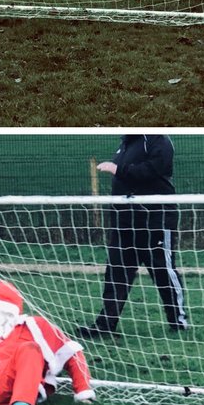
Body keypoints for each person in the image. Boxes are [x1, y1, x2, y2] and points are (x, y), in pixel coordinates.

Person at [76, 135, 189, 339]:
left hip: (155, 220)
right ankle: (105, 325)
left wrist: (119, 170)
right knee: (116, 273)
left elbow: (154, 169)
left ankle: (178, 321)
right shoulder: (125, 144)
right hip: (125, 223)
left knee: (163, 270)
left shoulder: (157, 140)